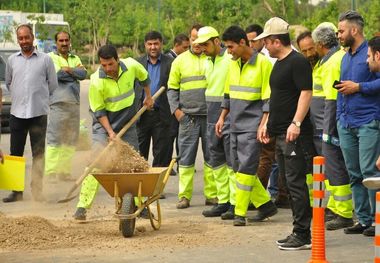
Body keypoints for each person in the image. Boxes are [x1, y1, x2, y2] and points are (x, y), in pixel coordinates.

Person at [73, 44, 153, 220]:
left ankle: (141, 204)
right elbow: (99, 112)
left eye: (110, 64)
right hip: (103, 126)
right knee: (96, 160)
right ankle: (82, 206)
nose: (108, 68)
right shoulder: (96, 81)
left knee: (134, 163)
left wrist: (148, 97)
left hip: (128, 123)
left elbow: (144, 78)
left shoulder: (131, 65)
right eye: (104, 65)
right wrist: (110, 133)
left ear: (118, 60)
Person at [255, 17, 313, 250]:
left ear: (276, 41)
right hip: (279, 133)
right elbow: (278, 98)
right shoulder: (279, 62)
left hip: (293, 135)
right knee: (288, 183)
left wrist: (296, 123)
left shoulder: (297, 62)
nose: (264, 46)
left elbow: (305, 93)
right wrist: (268, 126)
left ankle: (303, 234)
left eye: (266, 42)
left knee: (296, 183)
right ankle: (298, 231)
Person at [216, 25, 277, 226]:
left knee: (246, 169)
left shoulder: (264, 64)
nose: (228, 51)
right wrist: (221, 118)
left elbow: (268, 98)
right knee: (236, 167)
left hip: (253, 125)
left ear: (243, 42)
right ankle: (266, 205)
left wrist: (264, 124)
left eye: (231, 47)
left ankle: (240, 213)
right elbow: (227, 94)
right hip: (234, 124)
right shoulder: (232, 63)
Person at [336, 11, 380, 237]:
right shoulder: (345, 57)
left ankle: (376, 220)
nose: (339, 35)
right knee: (354, 173)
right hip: (346, 123)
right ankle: (363, 219)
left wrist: (359, 87)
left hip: (367, 122)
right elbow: (342, 91)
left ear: (354, 30)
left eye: (341, 30)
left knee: (370, 172)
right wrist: (338, 118)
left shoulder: (372, 53)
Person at [3, 24, 58, 202]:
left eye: (27, 37)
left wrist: (39, 98)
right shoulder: (12, 60)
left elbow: (53, 84)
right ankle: (16, 191)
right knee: (15, 154)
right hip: (17, 113)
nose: (24, 41)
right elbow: (10, 83)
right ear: (17, 39)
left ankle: (37, 191)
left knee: (38, 154)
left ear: (33, 38)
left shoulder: (45, 60)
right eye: (21, 38)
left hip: (38, 114)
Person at [167, 24, 217, 209]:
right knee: (186, 159)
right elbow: (172, 89)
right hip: (188, 118)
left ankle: (212, 196)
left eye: (200, 39)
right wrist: (177, 112)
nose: (197, 43)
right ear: (189, 39)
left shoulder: (212, 60)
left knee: (212, 158)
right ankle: (184, 196)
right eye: (193, 38)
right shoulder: (179, 61)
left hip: (210, 117)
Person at [311, 24, 353, 230]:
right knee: (333, 166)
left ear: (319, 44)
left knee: (335, 166)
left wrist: (328, 130)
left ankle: (344, 212)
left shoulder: (331, 63)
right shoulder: (334, 58)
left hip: (328, 123)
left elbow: (331, 99)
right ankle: (337, 207)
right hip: (327, 121)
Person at [193, 26, 235, 219]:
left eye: (205, 45)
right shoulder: (208, 61)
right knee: (215, 161)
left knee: (231, 162)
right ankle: (223, 201)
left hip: (227, 114)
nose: (203, 48)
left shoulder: (230, 59)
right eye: (200, 45)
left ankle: (235, 203)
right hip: (211, 114)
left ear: (217, 41)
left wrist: (225, 116)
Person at [245, 24, 281, 205]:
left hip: (270, 113)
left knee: (268, 156)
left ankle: (263, 198)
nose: (251, 44)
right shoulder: (255, 58)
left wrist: (266, 118)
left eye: (254, 40)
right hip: (260, 114)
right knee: (269, 156)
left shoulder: (269, 60)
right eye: (248, 40)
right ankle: (274, 194)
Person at [45, 31, 87, 183]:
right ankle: (51, 172)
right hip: (58, 103)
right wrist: (73, 72)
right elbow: (57, 75)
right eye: (61, 40)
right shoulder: (50, 58)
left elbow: (83, 74)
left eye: (66, 40)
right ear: (56, 42)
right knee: (55, 139)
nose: (64, 43)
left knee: (70, 140)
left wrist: (69, 70)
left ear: (70, 41)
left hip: (74, 105)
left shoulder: (75, 57)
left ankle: (64, 172)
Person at [136, 31, 173, 169]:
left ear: (161, 44)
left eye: (156, 43)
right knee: (139, 153)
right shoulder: (137, 63)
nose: (153, 47)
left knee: (161, 154)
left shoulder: (170, 63)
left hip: (162, 115)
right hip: (141, 114)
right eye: (150, 44)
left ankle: (156, 188)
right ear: (145, 45)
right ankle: (140, 185)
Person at [166, 33, 190, 173]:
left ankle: (180, 163)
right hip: (172, 105)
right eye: (185, 47)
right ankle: (172, 164)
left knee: (178, 136)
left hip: (179, 105)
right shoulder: (170, 60)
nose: (187, 50)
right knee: (171, 136)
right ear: (176, 45)